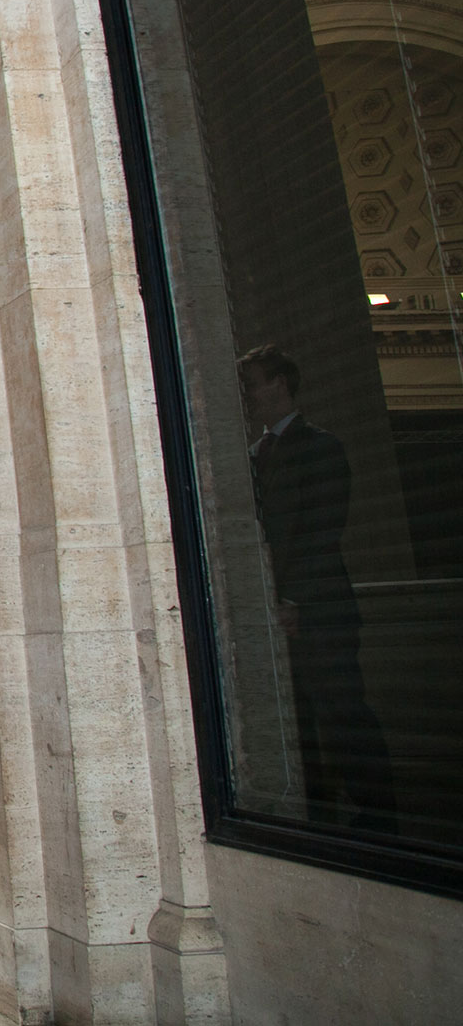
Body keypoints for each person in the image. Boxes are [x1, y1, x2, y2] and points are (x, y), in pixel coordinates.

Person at [237, 344, 395, 829]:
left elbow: (322, 532)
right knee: (297, 723)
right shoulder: (250, 456)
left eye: (253, 385)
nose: (246, 398)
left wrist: (293, 600)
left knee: (341, 710)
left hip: (318, 610)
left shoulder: (320, 447)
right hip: (275, 615)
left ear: (280, 383)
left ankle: (378, 813)